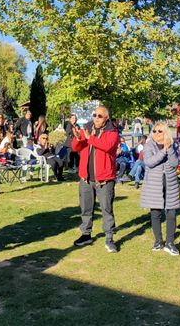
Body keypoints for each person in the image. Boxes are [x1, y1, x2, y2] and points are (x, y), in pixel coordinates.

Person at [71, 106, 120, 253]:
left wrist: (89, 138)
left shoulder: (112, 132)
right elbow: (75, 147)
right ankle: (86, 234)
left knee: (106, 209)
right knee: (86, 208)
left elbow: (107, 146)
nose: (96, 118)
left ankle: (109, 238)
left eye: (99, 116)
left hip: (104, 179)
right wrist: (79, 139)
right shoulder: (86, 129)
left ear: (106, 118)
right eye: (94, 115)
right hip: (86, 178)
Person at [140, 122, 180, 256]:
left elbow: (175, 163)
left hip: (170, 183)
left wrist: (169, 149)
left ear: (166, 132)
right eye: (155, 131)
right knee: (155, 213)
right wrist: (164, 151)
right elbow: (149, 162)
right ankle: (158, 241)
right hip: (154, 184)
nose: (157, 133)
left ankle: (170, 243)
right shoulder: (148, 146)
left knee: (171, 213)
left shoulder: (172, 145)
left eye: (160, 131)